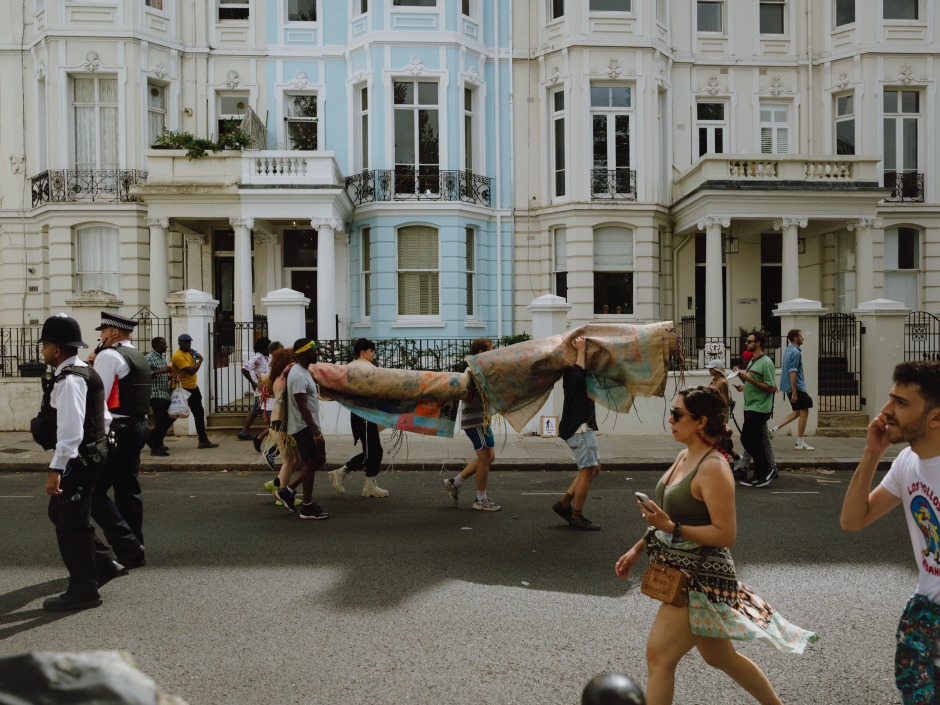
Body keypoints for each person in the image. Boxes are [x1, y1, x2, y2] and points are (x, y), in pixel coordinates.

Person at [615, 386, 817, 705]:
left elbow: (726, 535)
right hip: (681, 570)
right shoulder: (684, 456)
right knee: (721, 658)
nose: (670, 419)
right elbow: (669, 518)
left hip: (702, 580)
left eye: (677, 414)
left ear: (700, 422)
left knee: (658, 656)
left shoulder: (713, 467)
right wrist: (638, 548)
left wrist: (671, 527)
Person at [840, 361, 940, 705]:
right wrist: (872, 453)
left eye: (901, 402)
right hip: (927, 630)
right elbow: (854, 520)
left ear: (936, 418)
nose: (886, 411)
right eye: (890, 398)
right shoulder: (907, 463)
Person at [34, 314, 127, 611]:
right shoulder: (84, 370)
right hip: (93, 454)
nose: (43, 350)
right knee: (63, 514)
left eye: (46, 345)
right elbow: (105, 416)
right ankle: (104, 562)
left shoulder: (70, 379)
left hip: (79, 459)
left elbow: (71, 431)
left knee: (69, 525)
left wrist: (56, 469)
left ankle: (84, 590)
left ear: (57, 349)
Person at [89, 312, 151, 564]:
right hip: (138, 425)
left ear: (114, 332)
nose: (101, 336)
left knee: (94, 492)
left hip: (118, 428)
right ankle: (134, 545)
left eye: (103, 331)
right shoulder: (137, 355)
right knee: (128, 488)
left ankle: (126, 545)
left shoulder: (108, 355)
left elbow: (97, 397)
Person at [442, 338, 499, 511]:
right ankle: (480, 499)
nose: (494, 352)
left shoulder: (480, 369)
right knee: (484, 458)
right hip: (475, 420)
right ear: (482, 352)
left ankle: (455, 482)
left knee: (490, 457)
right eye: (491, 349)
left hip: (482, 418)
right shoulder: (473, 370)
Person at [275, 339, 329, 520]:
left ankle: (290, 492)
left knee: (316, 460)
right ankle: (304, 505)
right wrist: (315, 432)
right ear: (304, 353)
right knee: (314, 461)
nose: (317, 354)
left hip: (306, 425)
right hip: (303, 426)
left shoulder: (303, 372)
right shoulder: (298, 375)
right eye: (313, 351)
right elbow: (302, 406)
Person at [329, 338, 390, 498]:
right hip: (362, 415)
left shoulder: (359, 367)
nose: (373, 354)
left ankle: (369, 485)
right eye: (371, 351)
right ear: (362, 352)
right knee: (371, 452)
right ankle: (341, 472)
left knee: (376, 451)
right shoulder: (358, 367)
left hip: (365, 415)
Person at [552, 335, 601, 531]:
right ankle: (576, 515)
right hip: (578, 428)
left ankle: (563, 505)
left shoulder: (579, 372)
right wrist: (580, 350)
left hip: (584, 427)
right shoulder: (572, 373)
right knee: (587, 470)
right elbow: (577, 376)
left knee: (594, 468)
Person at [732, 331, 777, 488]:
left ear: (758, 343)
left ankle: (767, 469)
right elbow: (753, 382)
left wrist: (748, 379)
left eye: (749, 341)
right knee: (754, 440)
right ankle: (759, 473)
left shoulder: (766, 362)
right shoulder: (752, 361)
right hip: (750, 405)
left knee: (748, 439)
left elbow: (770, 387)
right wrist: (741, 379)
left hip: (760, 407)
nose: (746, 344)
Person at [261, 347, 302, 508]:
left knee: (295, 460)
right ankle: (282, 493)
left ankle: (276, 483)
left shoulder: (278, 378)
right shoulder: (282, 380)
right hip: (283, 427)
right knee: (288, 461)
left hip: (282, 427)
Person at [170, 334, 218, 449]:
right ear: (179, 343)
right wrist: (200, 360)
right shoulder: (178, 356)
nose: (187, 344)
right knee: (173, 415)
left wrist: (194, 356)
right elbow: (190, 371)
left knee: (199, 414)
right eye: (185, 342)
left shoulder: (188, 353)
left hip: (192, 388)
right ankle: (156, 439)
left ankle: (203, 440)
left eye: (189, 342)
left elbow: (191, 365)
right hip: (182, 389)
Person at [771, 329, 815, 451]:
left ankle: (774, 429)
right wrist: (795, 392)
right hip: (797, 387)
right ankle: (800, 442)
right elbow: (792, 372)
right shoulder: (795, 352)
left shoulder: (787, 351)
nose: (803, 338)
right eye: (801, 336)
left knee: (797, 411)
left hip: (789, 387)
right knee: (805, 410)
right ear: (795, 338)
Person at [238, 336, 271, 441]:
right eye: (268, 348)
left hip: (264, 390)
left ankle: (244, 432)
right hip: (261, 390)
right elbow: (244, 369)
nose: (269, 350)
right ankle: (269, 431)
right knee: (265, 411)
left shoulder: (265, 358)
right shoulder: (258, 358)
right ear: (264, 348)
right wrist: (252, 382)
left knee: (255, 411)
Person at [705, 359, 738, 462]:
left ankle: (722, 461)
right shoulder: (714, 380)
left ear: (717, 369)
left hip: (720, 414)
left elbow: (725, 401)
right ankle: (734, 456)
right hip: (713, 412)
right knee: (717, 438)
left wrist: (724, 419)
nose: (709, 370)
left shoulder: (722, 382)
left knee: (718, 438)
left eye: (711, 368)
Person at [145, 337, 172, 457]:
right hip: (156, 394)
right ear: (156, 345)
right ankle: (155, 447)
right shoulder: (149, 357)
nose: (166, 346)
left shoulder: (162, 356)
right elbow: (144, 374)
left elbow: (163, 373)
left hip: (165, 393)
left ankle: (152, 439)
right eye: (163, 344)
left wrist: (169, 376)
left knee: (170, 419)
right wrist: (162, 371)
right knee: (162, 421)